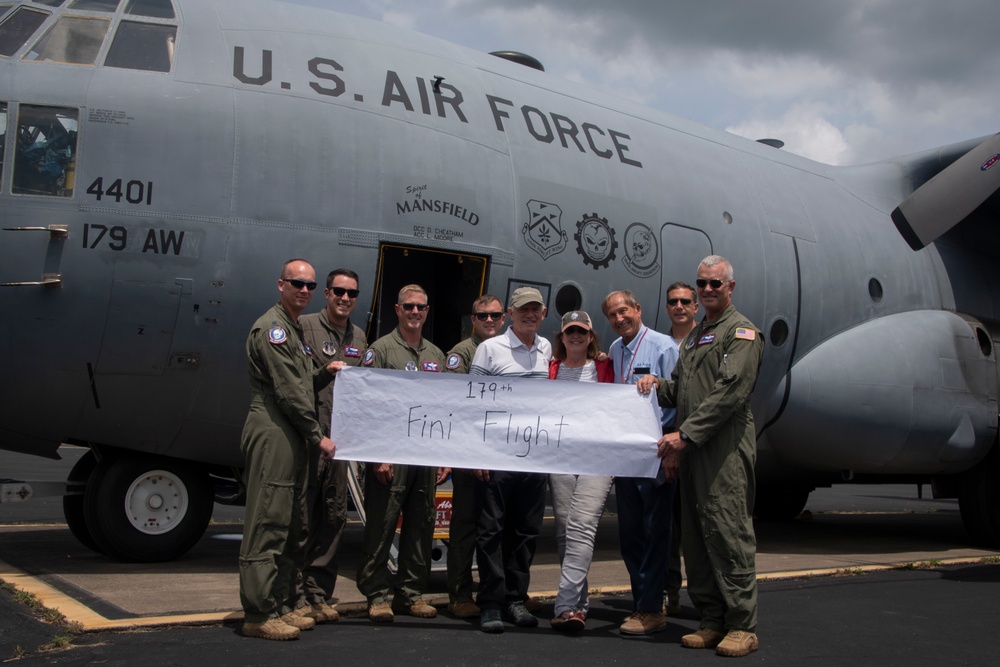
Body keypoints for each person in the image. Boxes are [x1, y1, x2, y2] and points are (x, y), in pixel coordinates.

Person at [637, 255, 764, 658]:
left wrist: (685, 434)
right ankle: (711, 619)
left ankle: (742, 623)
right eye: (702, 284)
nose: (708, 290)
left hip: (721, 448)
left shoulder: (740, 332)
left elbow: (730, 392)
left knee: (727, 531)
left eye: (715, 284)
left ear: (730, 287)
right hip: (693, 449)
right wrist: (655, 385)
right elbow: (685, 388)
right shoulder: (696, 336)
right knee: (695, 537)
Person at [239, 259, 341, 641]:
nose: (304, 290)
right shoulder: (274, 329)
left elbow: (299, 384)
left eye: (310, 285)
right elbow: (286, 392)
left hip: (290, 429)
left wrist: (322, 374)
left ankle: (280, 604)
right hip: (275, 425)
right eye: (297, 283)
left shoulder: (292, 328)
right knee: (268, 520)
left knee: (289, 522)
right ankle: (258, 612)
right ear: (280, 284)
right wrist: (318, 436)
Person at [357, 284, 447, 623]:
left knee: (421, 525)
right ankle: (377, 595)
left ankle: (411, 593)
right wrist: (377, 455)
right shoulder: (379, 351)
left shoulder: (436, 356)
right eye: (408, 306)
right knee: (382, 525)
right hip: (390, 454)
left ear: (427, 311)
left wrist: (442, 456)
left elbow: (444, 410)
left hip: (423, 455)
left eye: (420, 307)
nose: (414, 312)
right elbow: (366, 405)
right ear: (397, 309)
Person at [468, 286, 552, 633]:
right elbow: (471, 403)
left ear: (543, 313)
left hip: (534, 457)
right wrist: (476, 453)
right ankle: (490, 603)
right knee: (490, 531)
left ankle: (515, 599)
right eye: (522, 310)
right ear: (511, 315)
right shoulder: (490, 349)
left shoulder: (546, 348)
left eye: (535, 309)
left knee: (526, 530)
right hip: (498, 454)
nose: (529, 315)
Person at [289, 268, 368, 625]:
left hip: (341, 444)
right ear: (326, 293)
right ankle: (294, 594)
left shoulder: (359, 336)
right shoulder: (304, 327)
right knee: (301, 518)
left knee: (334, 517)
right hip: (309, 438)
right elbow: (292, 381)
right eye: (339, 291)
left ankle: (318, 593)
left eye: (351, 293)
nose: (345, 298)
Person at [601, 289, 678, 636]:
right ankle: (641, 602)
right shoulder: (616, 351)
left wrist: (675, 444)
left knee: (655, 531)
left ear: (638, 309)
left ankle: (652, 607)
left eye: (624, 311)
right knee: (630, 533)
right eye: (613, 315)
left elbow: (681, 394)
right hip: (627, 454)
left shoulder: (664, 346)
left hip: (657, 452)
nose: (619, 319)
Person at [547, 311, 615, 633]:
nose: (576, 336)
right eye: (570, 331)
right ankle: (578, 606)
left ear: (590, 337)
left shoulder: (604, 367)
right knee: (564, 529)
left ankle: (563, 604)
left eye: (582, 331)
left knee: (583, 524)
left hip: (597, 458)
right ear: (562, 337)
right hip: (560, 458)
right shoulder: (551, 369)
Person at [442, 294, 506, 619]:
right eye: (483, 316)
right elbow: (457, 409)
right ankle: (459, 595)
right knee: (465, 528)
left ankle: (499, 593)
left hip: (503, 455)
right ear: (473, 320)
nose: (490, 321)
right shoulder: (462, 354)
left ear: (503, 318)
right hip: (471, 458)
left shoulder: (509, 353)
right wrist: (468, 455)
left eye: (495, 315)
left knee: (498, 529)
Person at [663, 281, 699, 615]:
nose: (679, 307)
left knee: (700, 526)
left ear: (695, 307)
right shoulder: (661, 345)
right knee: (670, 526)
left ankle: (706, 598)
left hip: (698, 446)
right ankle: (670, 592)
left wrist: (684, 438)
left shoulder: (706, 342)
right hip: (669, 446)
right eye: (673, 301)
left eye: (685, 301)